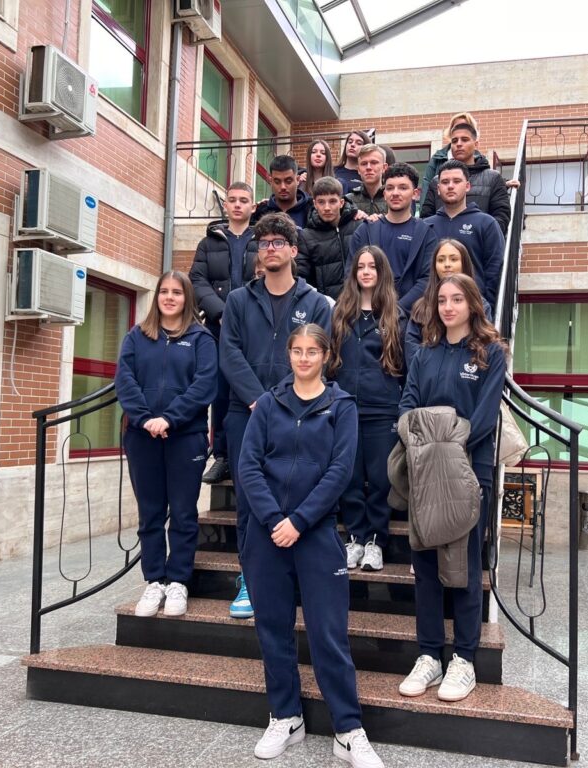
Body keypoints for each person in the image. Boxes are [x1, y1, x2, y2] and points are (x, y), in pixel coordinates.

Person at [238, 324, 385, 768]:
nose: (304, 358)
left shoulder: (342, 406)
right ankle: (285, 716)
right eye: (297, 351)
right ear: (288, 355)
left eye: (312, 352)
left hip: (316, 533)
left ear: (325, 356)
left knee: (328, 633)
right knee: (273, 630)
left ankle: (348, 730)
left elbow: (340, 471)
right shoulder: (268, 404)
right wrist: (274, 520)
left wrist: (299, 521)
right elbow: (248, 466)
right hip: (266, 535)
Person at [397, 273, 507, 703]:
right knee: (425, 569)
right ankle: (429, 655)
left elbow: (483, 418)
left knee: (463, 570)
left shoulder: (490, 354)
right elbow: (407, 408)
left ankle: (464, 658)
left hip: (468, 471)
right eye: (442, 299)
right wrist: (426, 442)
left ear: (472, 304)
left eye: (457, 299)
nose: (448, 307)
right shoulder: (424, 355)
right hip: (424, 473)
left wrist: (444, 441)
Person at [219, 213, 333, 619]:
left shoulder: (315, 303)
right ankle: (250, 580)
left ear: (293, 250)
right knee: (250, 500)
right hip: (244, 412)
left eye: (277, 242)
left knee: (296, 494)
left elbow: (315, 356)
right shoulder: (238, 300)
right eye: (263, 243)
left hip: (297, 412)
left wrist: (280, 401)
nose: (269, 248)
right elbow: (229, 353)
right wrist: (257, 400)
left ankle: (294, 578)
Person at [114, 271, 218, 618]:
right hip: (141, 437)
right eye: (164, 292)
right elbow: (125, 380)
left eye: (177, 292)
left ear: (187, 298)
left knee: (184, 513)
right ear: (156, 296)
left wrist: (170, 418)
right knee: (151, 514)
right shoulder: (137, 336)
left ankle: (178, 582)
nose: (170, 297)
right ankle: (154, 580)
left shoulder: (201, 339)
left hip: (185, 437)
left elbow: (204, 386)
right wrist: (145, 418)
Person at [329, 246, 406, 572]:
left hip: (382, 409)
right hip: (345, 408)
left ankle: (375, 541)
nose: (365, 272)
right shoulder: (340, 313)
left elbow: (404, 367)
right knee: (349, 477)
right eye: (360, 266)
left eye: (372, 266)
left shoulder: (394, 315)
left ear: (381, 272)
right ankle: (355, 539)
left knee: (379, 479)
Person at [190, 181, 260, 484]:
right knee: (219, 392)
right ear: (226, 205)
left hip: (255, 327)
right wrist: (221, 313)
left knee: (251, 388)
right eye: (232, 200)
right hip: (218, 327)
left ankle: (254, 451)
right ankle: (222, 456)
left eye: (244, 200)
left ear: (253, 207)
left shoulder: (261, 240)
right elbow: (197, 280)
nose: (237, 205)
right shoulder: (209, 243)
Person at [348, 162, 438, 313]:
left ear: (415, 193)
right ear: (384, 194)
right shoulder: (365, 231)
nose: (395, 193)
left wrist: (397, 310)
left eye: (403, 188)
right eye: (390, 188)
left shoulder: (425, 233)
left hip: (410, 317)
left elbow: (427, 279)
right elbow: (351, 274)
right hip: (370, 314)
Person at [423, 160, 505, 306]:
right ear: (438, 189)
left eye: (456, 181)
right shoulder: (425, 226)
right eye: (445, 182)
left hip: (474, 307)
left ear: (467, 186)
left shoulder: (487, 223)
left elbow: (494, 271)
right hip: (432, 307)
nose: (450, 186)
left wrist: (487, 308)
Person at [405, 238, 490, 363]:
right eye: (440, 260)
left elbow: (482, 345)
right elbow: (411, 347)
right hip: (426, 372)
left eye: (453, 259)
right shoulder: (421, 306)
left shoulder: (481, 305)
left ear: (464, 263)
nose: (447, 264)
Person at [419, 121, 511, 232]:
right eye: (454, 141)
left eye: (464, 139)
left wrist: (480, 236)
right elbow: (426, 217)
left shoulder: (493, 178)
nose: (458, 144)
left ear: (476, 144)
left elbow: (502, 216)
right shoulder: (436, 181)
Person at [298, 176, 362, 301]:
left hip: (359, 303)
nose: (327, 207)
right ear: (315, 204)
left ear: (341, 202)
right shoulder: (306, 237)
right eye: (321, 202)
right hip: (326, 306)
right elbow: (302, 278)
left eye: (332, 201)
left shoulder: (359, 227)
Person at [418, 112, 479, 201]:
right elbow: (427, 187)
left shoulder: (481, 162)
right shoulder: (437, 159)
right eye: (456, 127)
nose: (460, 129)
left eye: (464, 126)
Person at [253, 155, 311, 228]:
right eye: (277, 182)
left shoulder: (310, 212)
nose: (283, 187)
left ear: (298, 180)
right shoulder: (260, 213)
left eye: (288, 181)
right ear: (270, 181)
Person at [345, 144, 388, 219]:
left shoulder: (394, 199)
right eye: (364, 164)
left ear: (384, 167)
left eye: (374, 162)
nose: (368, 167)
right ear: (358, 170)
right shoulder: (348, 200)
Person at [334, 129, 371, 194]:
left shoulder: (368, 174)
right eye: (350, 142)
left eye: (358, 143)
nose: (352, 145)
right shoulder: (333, 171)